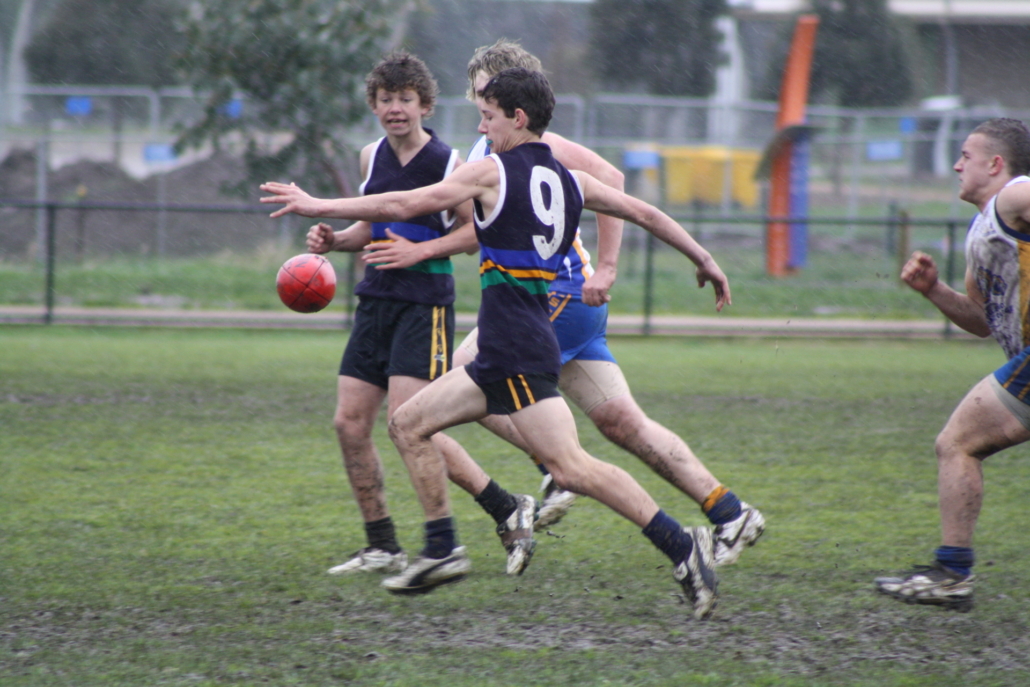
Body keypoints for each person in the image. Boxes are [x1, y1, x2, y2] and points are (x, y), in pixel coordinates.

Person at [262, 67, 732, 620]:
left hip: (513, 351)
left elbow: (401, 205)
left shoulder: (492, 172)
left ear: (518, 117)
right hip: (511, 347)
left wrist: (318, 205)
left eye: (488, 115)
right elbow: (645, 212)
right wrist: (703, 259)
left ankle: (682, 546)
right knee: (409, 423)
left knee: (573, 468)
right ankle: (444, 546)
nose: (481, 127)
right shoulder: (569, 180)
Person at [362, 39, 765, 566]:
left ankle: (553, 468)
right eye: (481, 94)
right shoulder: (491, 150)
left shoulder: (534, 146)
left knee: (466, 373)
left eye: (494, 95)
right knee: (622, 423)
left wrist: (609, 266)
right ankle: (728, 511)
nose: (485, 107)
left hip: (559, 295)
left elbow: (614, 185)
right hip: (561, 302)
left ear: (518, 104)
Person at [305, 52, 538, 580]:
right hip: (376, 301)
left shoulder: (449, 163)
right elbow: (371, 226)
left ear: (424, 105)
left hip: (424, 305)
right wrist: (334, 240)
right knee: (349, 424)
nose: (395, 109)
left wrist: (421, 252)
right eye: (385, 99)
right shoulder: (371, 157)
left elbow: (475, 233)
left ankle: (483, 518)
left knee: (409, 424)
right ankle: (382, 544)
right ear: (374, 105)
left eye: (405, 99)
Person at [875, 117, 1030, 609]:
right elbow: (984, 322)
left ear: (996, 164)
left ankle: (952, 573)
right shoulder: (985, 227)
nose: (957, 164)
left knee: (957, 442)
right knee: (959, 444)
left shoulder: (1014, 195)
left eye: (966, 155)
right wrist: (934, 291)